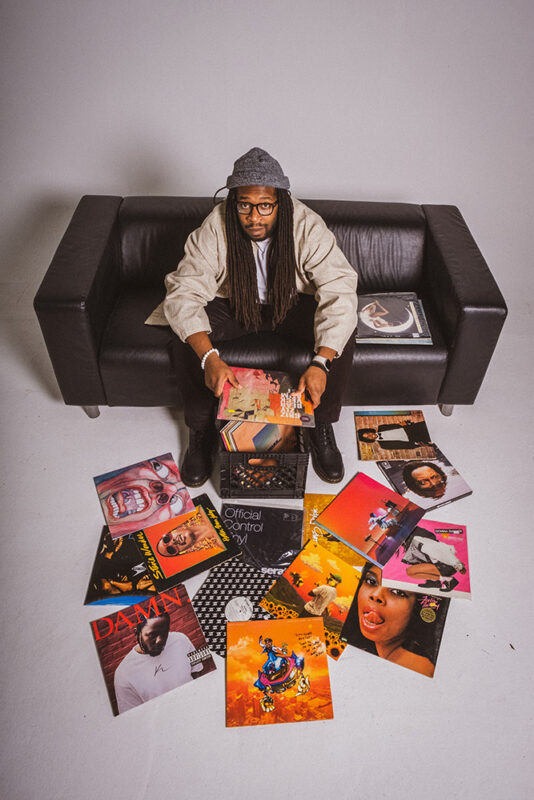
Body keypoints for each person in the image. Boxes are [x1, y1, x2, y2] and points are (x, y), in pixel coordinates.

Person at [148, 147, 358, 484]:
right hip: (234, 305)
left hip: (289, 304)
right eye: (244, 205)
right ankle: (201, 433)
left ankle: (322, 427)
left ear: (281, 202)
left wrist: (321, 363)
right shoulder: (216, 225)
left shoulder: (306, 224)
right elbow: (184, 291)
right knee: (184, 331)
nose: (254, 217)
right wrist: (209, 358)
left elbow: (340, 289)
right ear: (233, 202)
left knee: (344, 327)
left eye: (265, 206)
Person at [348, 563, 437, 676]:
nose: (375, 595)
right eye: (371, 581)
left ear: (418, 607)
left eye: (397, 592)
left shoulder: (418, 666)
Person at [113, 612, 204, 713]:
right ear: (137, 633)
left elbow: (198, 671)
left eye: (164, 633)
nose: (159, 641)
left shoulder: (181, 639)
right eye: (152, 635)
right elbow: (133, 717)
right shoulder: (123, 674)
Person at [357, 420, 431, 451]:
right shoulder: (384, 446)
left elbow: (398, 425)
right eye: (367, 437)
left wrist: (405, 423)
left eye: (368, 433)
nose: (370, 435)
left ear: (369, 430)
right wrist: (417, 444)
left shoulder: (381, 427)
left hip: (415, 428)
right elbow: (402, 447)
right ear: (369, 440)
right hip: (416, 439)